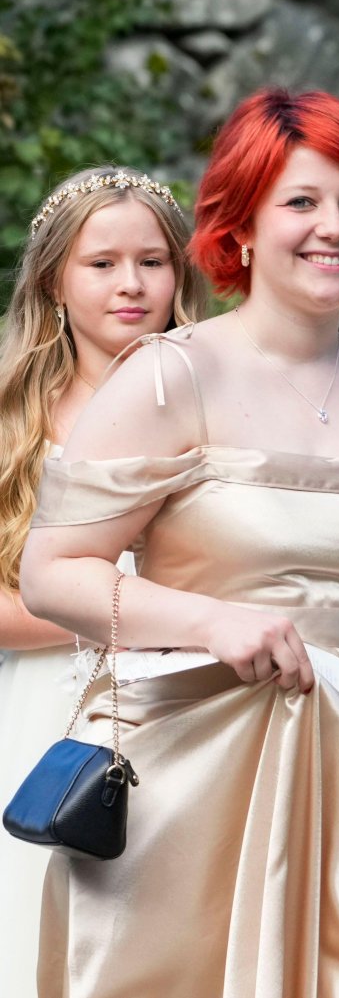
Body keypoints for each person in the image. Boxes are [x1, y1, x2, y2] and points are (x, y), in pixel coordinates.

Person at [20, 89, 339, 997]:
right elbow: (50, 572)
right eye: (301, 201)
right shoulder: (168, 376)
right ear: (244, 226)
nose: (333, 226)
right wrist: (213, 621)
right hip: (192, 777)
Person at [0, 165, 205, 994]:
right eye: (102, 263)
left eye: (153, 262)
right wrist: (123, 610)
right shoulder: (15, 419)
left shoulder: (218, 398)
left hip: (190, 698)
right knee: (44, 921)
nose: (132, 284)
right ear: (55, 279)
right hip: (49, 705)